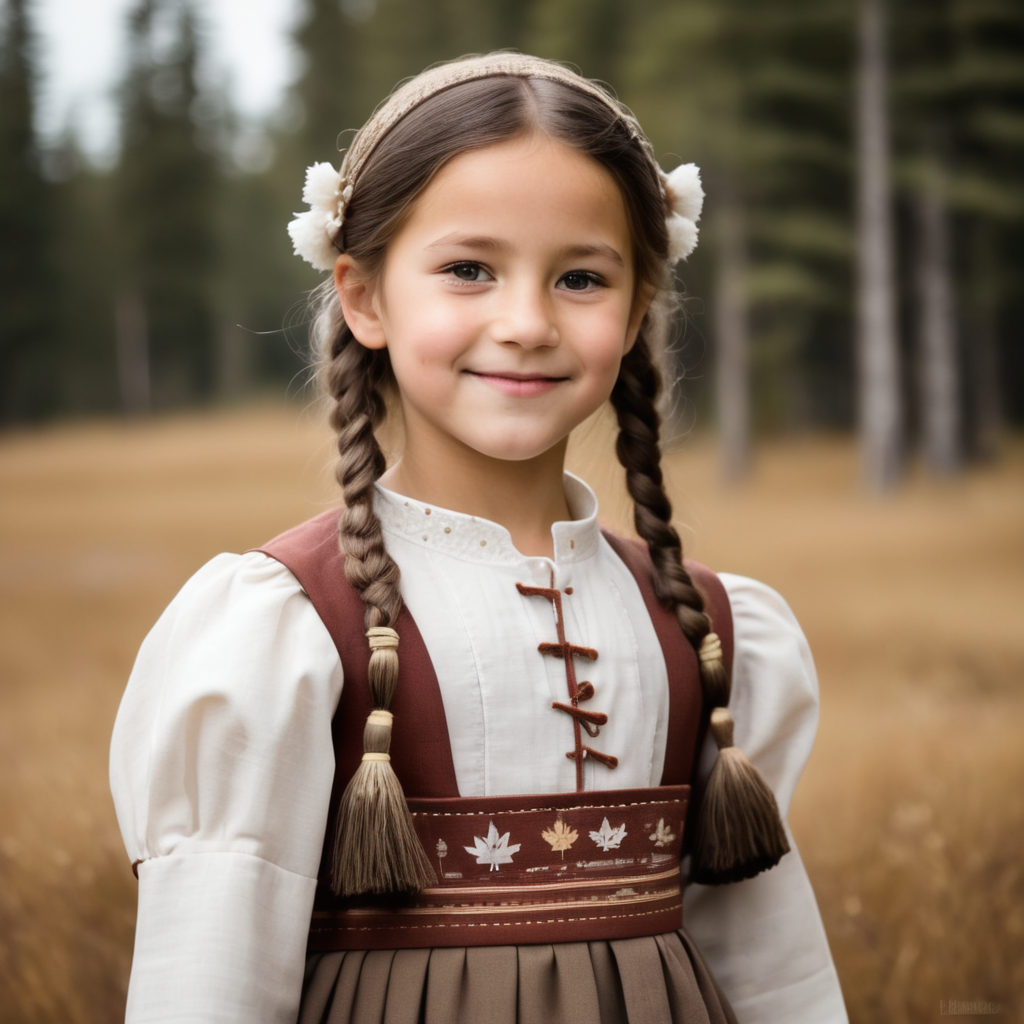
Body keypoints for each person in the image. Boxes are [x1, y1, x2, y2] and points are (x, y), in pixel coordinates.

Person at [110, 52, 848, 1024]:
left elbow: (773, 970)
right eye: (468, 269)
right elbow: (206, 983)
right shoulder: (281, 625)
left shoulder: (707, 626)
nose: (527, 322)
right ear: (364, 296)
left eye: (580, 277)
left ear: (634, 311)